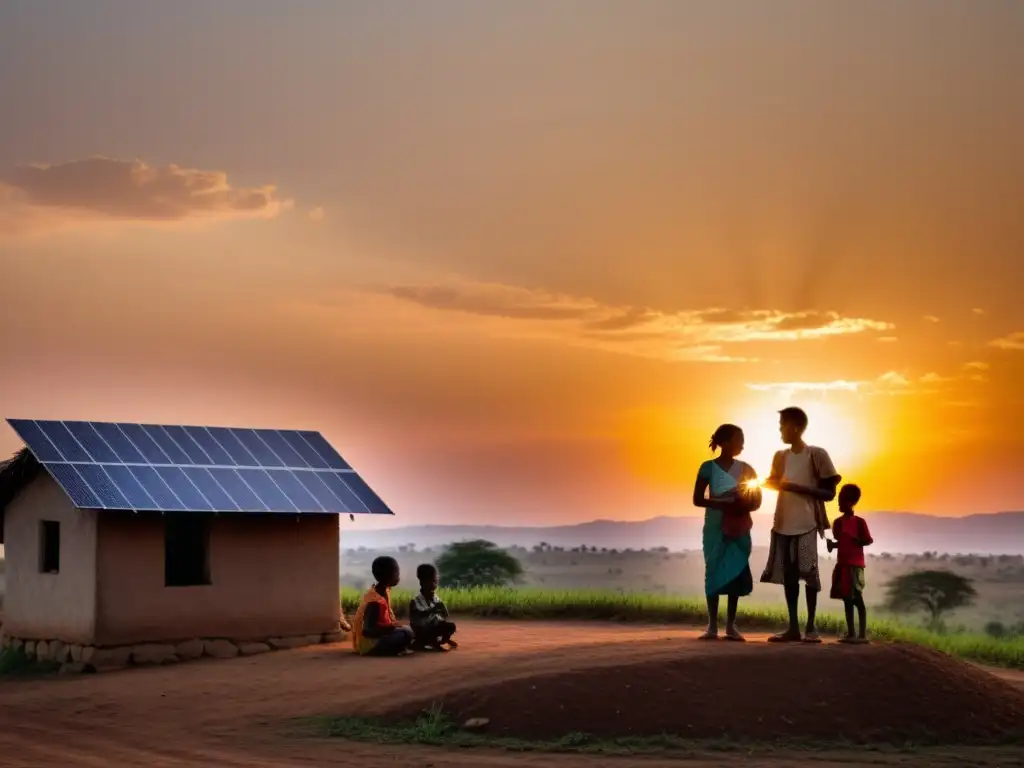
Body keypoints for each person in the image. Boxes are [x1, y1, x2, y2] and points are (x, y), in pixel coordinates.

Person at [761, 406, 841, 643]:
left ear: (795, 427)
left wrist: (796, 487)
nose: (780, 430)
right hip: (783, 522)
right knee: (789, 575)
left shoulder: (816, 455)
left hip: (806, 523)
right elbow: (775, 483)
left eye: (783, 425)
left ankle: (811, 627)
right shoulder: (780, 456)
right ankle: (793, 627)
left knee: (809, 573)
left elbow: (829, 493)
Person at [692, 424, 762, 641]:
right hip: (715, 528)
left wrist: (741, 506)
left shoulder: (747, 469)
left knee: (735, 571)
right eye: (739, 439)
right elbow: (697, 499)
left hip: (739, 527)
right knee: (713, 572)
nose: (742, 444)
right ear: (726, 442)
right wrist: (723, 503)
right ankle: (712, 626)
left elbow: (757, 500)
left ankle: (731, 626)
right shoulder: (707, 467)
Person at [827, 483, 873, 643]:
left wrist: (857, 540)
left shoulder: (859, 522)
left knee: (857, 598)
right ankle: (852, 634)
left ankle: (862, 635)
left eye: (842, 500)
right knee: (847, 598)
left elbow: (868, 540)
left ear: (850, 502)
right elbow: (841, 542)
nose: (839, 503)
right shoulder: (838, 523)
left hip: (854, 564)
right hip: (843, 564)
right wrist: (832, 545)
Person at [351, 556, 415, 656]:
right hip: (368, 644)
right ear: (387, 576)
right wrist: (391, 628)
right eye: (396, 573)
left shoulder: (384, 591)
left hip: (381, 635)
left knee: (409, 630)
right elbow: (368, 631)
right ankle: (387, 650)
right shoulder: (374, 601)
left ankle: (397, 647)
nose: (399, 576)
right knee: (405, 634)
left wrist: (394, 627)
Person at [409, 563, 459, 651]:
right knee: (430, 630)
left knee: (451, 626)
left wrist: (443, 608)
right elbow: (420, 615)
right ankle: (433, 644)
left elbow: (445, 615)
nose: (435, 583)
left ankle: (441, 641)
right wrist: (434, 609)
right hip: (422, 629)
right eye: (433, 581)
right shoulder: (416, 600)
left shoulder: (435, 597)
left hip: (434, 627)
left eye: (435, 581)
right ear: (422, 582)